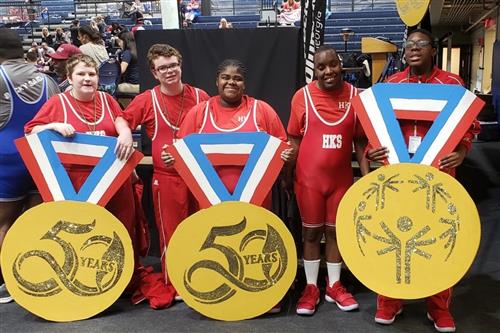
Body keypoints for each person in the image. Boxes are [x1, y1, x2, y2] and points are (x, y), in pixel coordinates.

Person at [366, 28, 480, 333]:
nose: (413, 49)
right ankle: (389, 300)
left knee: (442, 240)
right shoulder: (391, 84)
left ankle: (438, 306)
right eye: (409, 45)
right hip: (398, 179)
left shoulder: (452, 84)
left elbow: (471, 125)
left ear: (433, 50)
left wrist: (463, 150)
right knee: (389, 235)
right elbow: (373, 131)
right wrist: (372, 150)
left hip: (440, 176)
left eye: (421, 44)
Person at [115, 44, 209, 302]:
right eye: (163, 68)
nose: (169, 71)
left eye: (173, 65)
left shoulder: (201, 97)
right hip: (167, 178)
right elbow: (121, 118)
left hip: (201, 178)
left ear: (180, 65)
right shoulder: (147, 99)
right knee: (171, 231)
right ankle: (177, 280)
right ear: (154, 73)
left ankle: (203, 277)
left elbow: (213, 131)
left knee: (202, 230)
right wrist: (124, 132)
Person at [287, 45, 369, 316]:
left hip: (341, 181)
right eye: (321, 67)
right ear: (315, 70)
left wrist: (367, 179)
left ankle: (334, 284)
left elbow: (359, 141)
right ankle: (310, 287)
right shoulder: (302, 97)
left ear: (341, 65)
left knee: (336, 232)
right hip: (308, 181)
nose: (328, 71)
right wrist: (287, 177)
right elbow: (294, 141)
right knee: (311, 233)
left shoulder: (356, 96)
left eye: (332, 65)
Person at [0, 28, 59, 304]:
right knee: (37, 222)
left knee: (5, 223)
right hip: (40, 157)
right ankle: (37, 277)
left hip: (7, 160)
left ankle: (11, 284)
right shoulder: (47, 79)